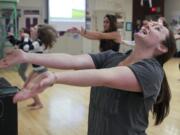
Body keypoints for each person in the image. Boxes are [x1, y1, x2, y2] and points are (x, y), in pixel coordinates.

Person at [0, 21, 176, 134]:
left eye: (157, 28)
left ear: (162, 47)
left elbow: (103, 77)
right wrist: (27, 56)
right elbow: (73, 60)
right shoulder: (113, 57)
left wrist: (54, 77)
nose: (148, 24)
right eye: (150, 23)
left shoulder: (151, 72)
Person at [8, 24, 58, 109]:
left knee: (29, 87)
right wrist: (11, 38)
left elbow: (26, 48)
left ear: (38, 33)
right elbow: (20, 45)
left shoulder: (38, 42)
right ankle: (37, 102)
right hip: (36, 69)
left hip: (41, 70)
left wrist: (26, 37)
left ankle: (39, 104)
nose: (31, 28)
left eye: (34, 28)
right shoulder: (34, 41)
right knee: (26, 86)